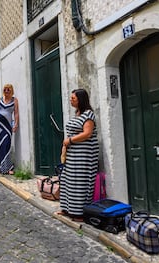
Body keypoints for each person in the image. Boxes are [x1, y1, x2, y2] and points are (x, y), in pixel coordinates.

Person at [56, 88, 99, 222]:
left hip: (84, 155)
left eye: (73, 98)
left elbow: (87, 134)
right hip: (73, 154)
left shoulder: (88, 114)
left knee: (81, 182)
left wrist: (69, 140)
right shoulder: (78, 114)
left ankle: (80, 213)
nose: (71, 100)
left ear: (81, 100)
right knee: (68, 180)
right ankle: (67, 208)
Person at [0, 84, 19, 175]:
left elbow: (16, 113)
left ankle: (7, 167)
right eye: (5, 90)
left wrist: (16, 124)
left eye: (8, 90)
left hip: (7, 126)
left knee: (6, 145)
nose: (6, 91)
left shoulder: (15, 100)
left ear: (11, 90)